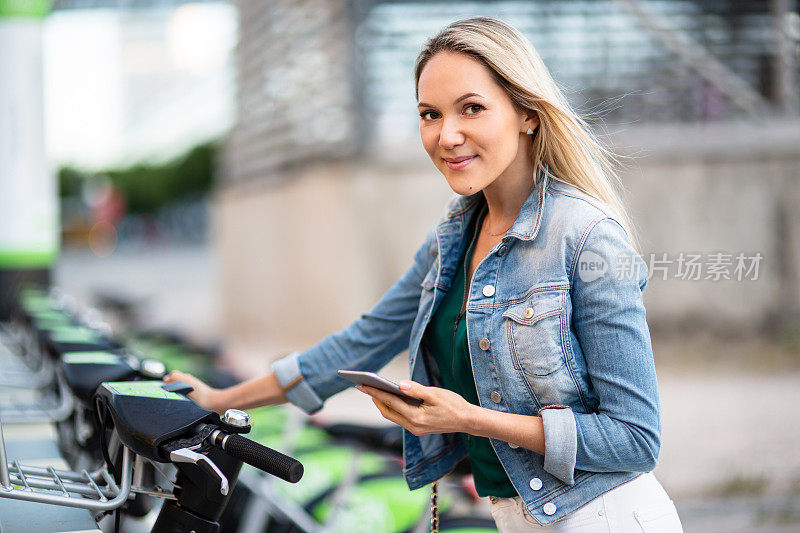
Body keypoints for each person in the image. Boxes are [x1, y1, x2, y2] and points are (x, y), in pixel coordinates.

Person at [165, 17, 683, 532]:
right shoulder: (451, 241)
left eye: (472, 108)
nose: (447, 135)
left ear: (527, 113)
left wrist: (467, 419)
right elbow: (358, 344)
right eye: (429, 114)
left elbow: (635, 438)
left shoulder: (589, 236)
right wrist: (218, 400)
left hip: (606, 517)